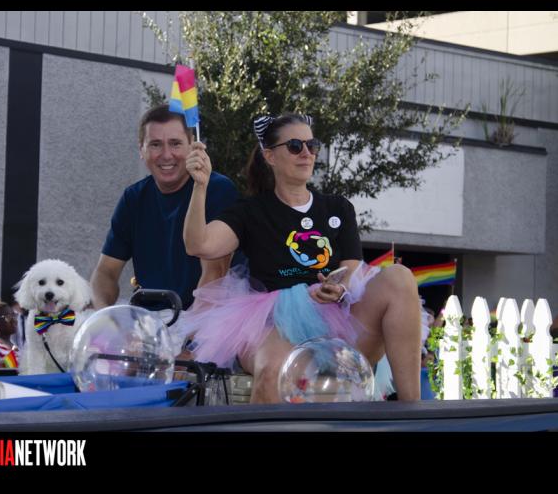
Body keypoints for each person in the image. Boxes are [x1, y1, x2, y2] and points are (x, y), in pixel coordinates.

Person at [177, 113, 424, 403]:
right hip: (274, 321)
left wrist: (338, 287)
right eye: (295, 146)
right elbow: (198, 244)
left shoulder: (337, 207)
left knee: (399, 277)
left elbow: (351, 267)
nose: (306, 153)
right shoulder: (250, 211)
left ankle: (412, 410)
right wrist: (200, 186)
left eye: (312, 145)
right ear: (270, 156)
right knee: (273, 370)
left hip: (338, 318)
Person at [91, 104, 242, 311]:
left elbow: (215, 274)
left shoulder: (217, 190)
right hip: (149, 318)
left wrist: (188, 328)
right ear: (141, 150)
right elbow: (106, 272)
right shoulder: (133, 198)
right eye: (155, 144)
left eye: (175, 143)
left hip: (204, 316)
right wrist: (102, 314)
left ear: (192, 146)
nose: (166, 155)